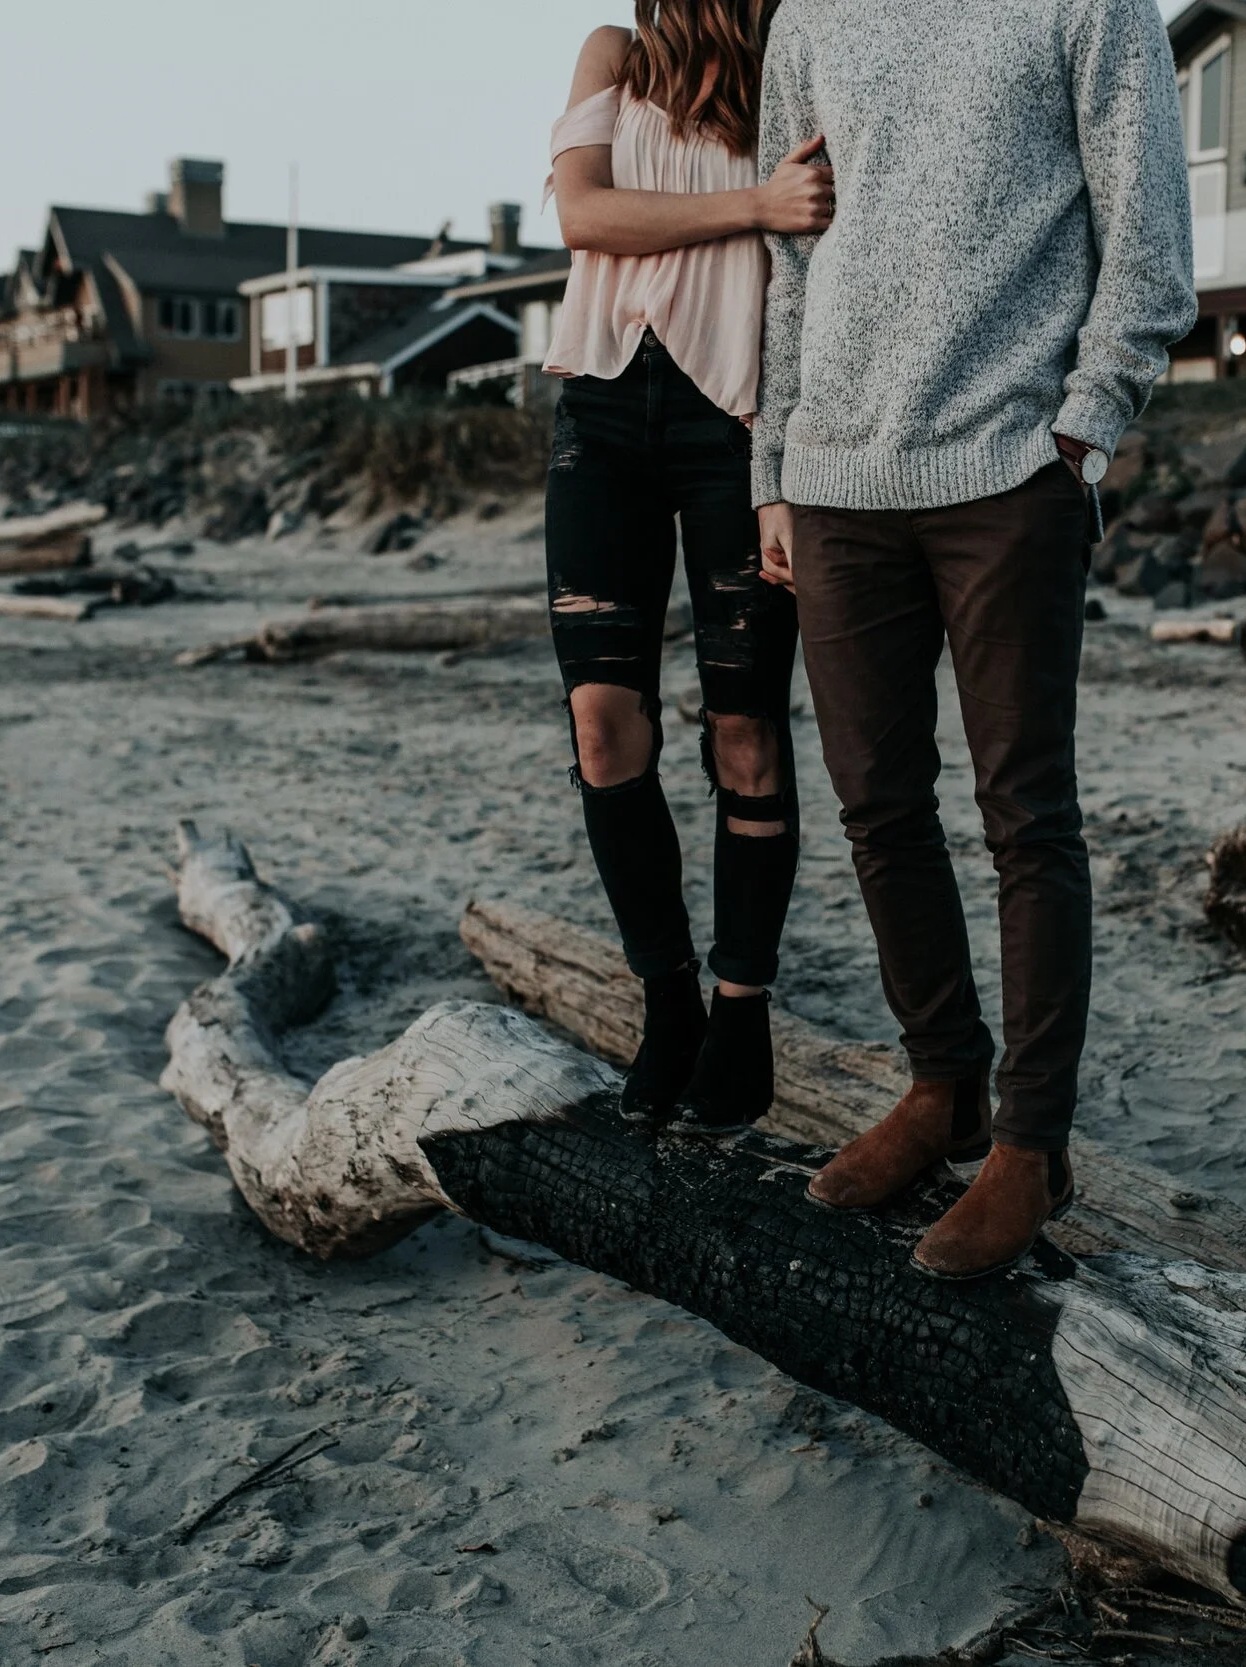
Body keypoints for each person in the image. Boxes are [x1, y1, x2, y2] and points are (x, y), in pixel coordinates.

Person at [753, 0, 1196, 1278]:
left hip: (1009, 465)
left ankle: (1029, 1142)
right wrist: (771, 466)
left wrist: (1085, 421)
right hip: (835, 478)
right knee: (878, 807)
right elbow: (792, 255)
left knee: (1024, 810)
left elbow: (1150, 237)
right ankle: (941, 1086)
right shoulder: (811, 17)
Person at [543, 1, 835, 1133]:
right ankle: (667, 998)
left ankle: (741, 1009)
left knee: (745, 729)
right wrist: (753, 204)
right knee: (602, 725)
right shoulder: (611, 53)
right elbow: (583, 212)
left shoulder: (793, 61)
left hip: (739, 426)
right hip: (602, 416)